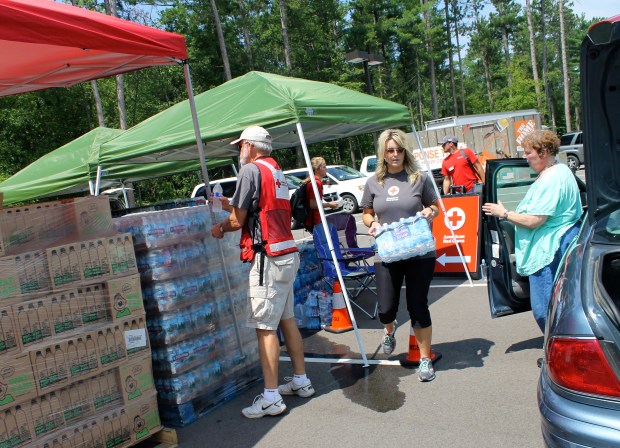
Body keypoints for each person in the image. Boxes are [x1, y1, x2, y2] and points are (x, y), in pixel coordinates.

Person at [210, 125, 314, 419]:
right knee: (287, 319)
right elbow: (262, 206)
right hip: (285, 251)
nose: (239, 151)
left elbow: (237, 219)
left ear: (251, 147)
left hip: (266, 257)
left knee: (265, 328)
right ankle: (300, 380)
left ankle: (270, 398)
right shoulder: (276, 171)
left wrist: (219, 228)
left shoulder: (250, 171)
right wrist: (231, 207)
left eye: (240, 146)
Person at [482, 129, 582, 333]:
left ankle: (555, 351)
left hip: (547, 251)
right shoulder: (562, 170)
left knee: (544, 310)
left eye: (529, 152)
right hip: (556, 245)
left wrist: (504, 213)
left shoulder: (551, 179)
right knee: (558, 303)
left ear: (544, 152)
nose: (526, 157)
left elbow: (534, 220)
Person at [360, 129, 440, 382]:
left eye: (399, 150)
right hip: (388, 253)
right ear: (383, 153)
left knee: (418, 305)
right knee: (385, 309)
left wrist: (431, 212)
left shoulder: (420, 178)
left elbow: (435, 206)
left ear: (405, 151)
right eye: (390, 150)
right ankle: (389, 329)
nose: (395, 155)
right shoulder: (374, 182)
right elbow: (367, 212)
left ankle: (425, 360)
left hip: (419, 252)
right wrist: (371, 222)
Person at [303, 157, 339, 230]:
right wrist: (329, 204)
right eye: (324, 167)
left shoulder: (313, 181)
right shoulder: (316, 183)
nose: (326, 169)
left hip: (312, 219)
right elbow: (313, 205)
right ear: (317, 169)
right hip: (314, 220)